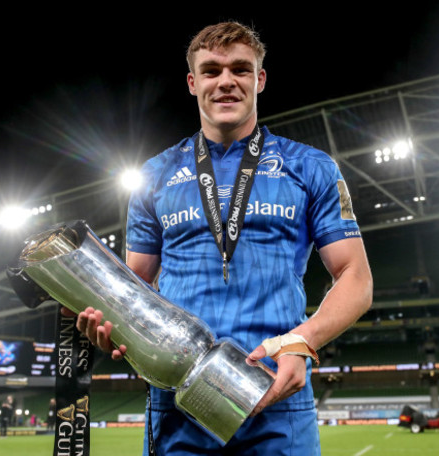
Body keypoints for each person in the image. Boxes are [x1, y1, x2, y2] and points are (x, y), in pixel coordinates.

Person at [72, 22, 372, 455]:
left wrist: (302, 340)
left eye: (240, 69)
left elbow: (356, 278)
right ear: (193, 83)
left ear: (260, 79)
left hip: (277, 395)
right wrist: (106, 325)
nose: (226, 81)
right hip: (176, 403)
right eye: (211, 71)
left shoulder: (311, 168)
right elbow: (130, 290)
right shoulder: (154, 176)